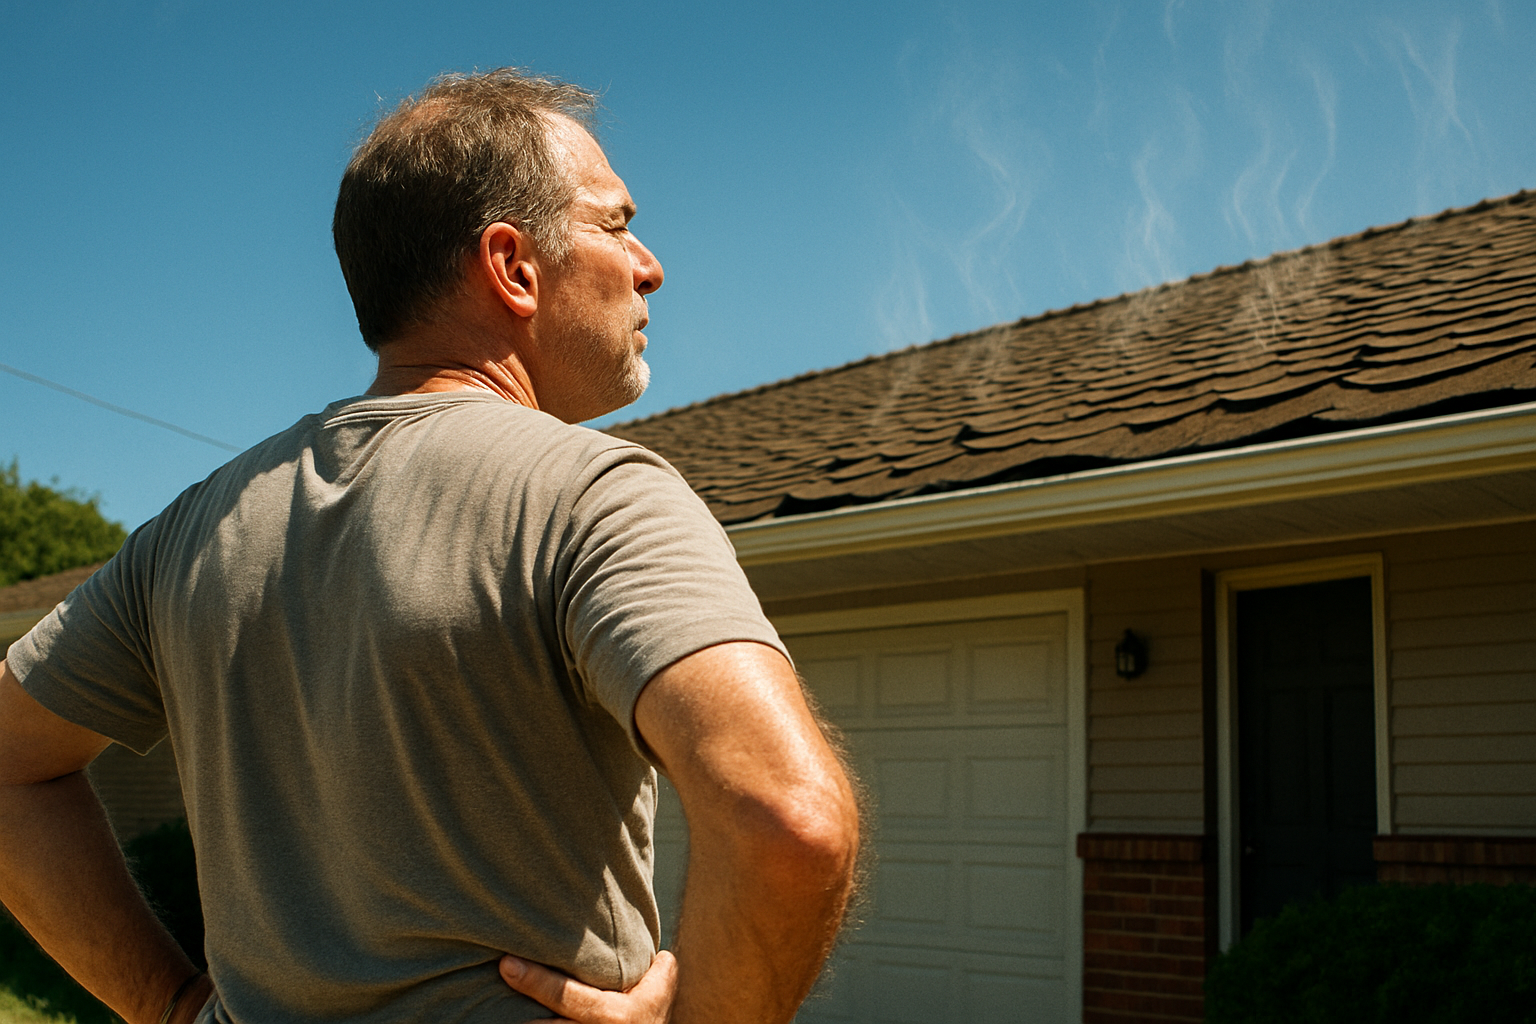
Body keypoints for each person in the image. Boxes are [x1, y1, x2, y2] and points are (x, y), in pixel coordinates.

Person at [0, 69, 860, 1024]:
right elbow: (791, 822)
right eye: (616, 226)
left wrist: (166, 1006)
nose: (648, 265)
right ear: (513, 267)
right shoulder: (595, 495)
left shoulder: (190, 535)